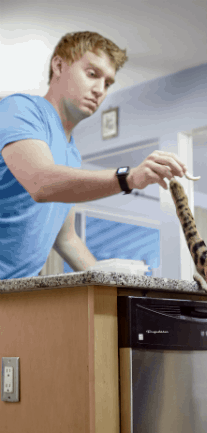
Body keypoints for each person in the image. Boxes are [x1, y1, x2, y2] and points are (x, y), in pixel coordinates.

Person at [0, 31, 187, 280]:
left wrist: (117, 282)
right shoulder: (20, 109)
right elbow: (40, 182)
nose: (100, 90)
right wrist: (127, 178)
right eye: (92, 74)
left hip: (15, 291)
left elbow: (66, 238)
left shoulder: (71, 153)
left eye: (108, 83)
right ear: (58, 66)